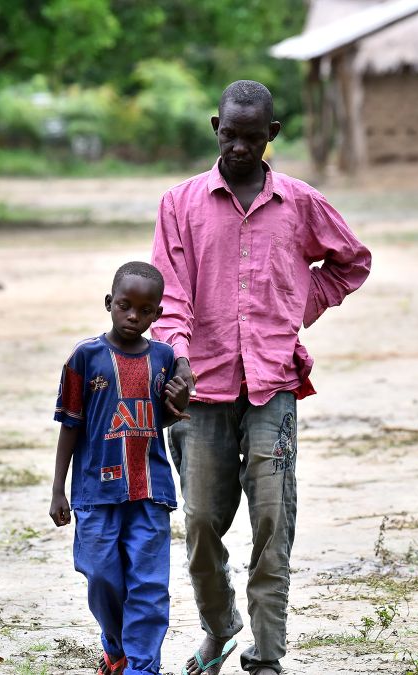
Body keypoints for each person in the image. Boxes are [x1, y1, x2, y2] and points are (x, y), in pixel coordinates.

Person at [151, 80, 371, 675]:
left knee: (273, 519)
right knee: (200, 523)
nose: (241, 147)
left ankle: (267, 654)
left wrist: (302, 302)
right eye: (231, 134)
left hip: (272, 383)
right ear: (215, 127)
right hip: (199, 388)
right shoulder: (180, 204)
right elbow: (171, 292)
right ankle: (219, 629)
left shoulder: (299, 202)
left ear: (271, 136)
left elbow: (352, 262)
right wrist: (177, 358)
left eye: (254, 138)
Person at [50, 261, 192, 675]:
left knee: (148, 586)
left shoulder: (164, 358)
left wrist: (178, 405)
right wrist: (59, 488)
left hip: (151, 490)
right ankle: (117, 648)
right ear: (109, 303)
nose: (134, 316)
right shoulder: (85, 357)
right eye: (125, 306)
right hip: (96, 492)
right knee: (100, 574)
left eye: (145, 311)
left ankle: (142, 666)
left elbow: (157, 417)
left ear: (158, 315)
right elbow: (71, 424)